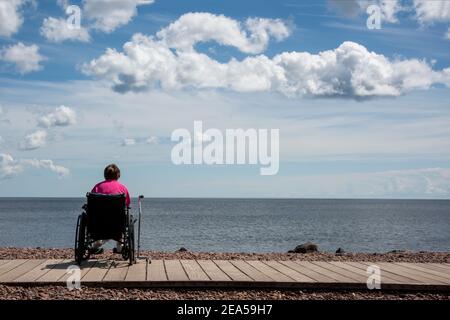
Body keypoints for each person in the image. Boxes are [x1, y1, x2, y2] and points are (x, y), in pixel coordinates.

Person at [90, 164, 131, 254]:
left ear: (105, 175)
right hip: (117, 224)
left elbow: (91, 205)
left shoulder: (97, 187)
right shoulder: (122, 188)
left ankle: (96, 244)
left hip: (98, 224)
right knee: (122, 216)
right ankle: (120, 247)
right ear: (118, 175)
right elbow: (127, 204)